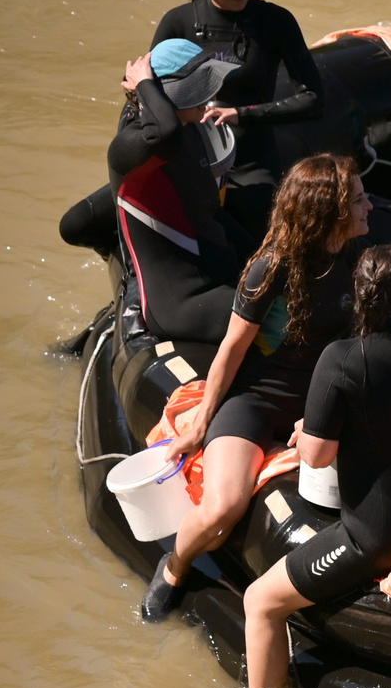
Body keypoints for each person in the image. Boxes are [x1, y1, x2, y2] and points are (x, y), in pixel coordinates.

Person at [239, 244, 391, 688]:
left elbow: (314, 457)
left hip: (380, 537)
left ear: (358, 295)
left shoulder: (341, 357)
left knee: (260, 602)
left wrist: (318, 426)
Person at [141, 153, 370, 622]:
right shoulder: (272, 267)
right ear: (330, 210)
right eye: (360, 199)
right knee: (225, 506)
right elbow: (231, 347)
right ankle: (175, 568)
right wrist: (200, 423)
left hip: (317, 402)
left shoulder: (357, 258)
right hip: (257, 399)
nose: (370, 206)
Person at [68, 38, 247, 342]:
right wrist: (145, 85)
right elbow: (165, 133)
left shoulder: (190, 131)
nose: (210, 96)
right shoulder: (131, 148)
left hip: (216, 280)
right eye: (197, 87)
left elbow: (210, 215)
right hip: (187, 304)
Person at [152, 0, 325, 235]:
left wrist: (241, 114)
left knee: (263, 233)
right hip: (190, 154)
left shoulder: (276, 21)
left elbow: (313, 98)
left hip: (252, 159)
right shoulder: (177, 22)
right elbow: (150, 91)